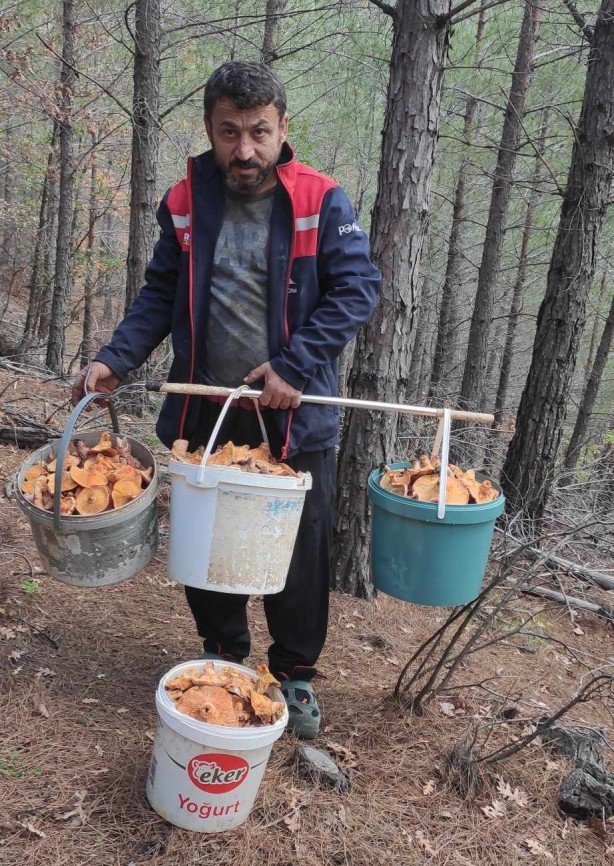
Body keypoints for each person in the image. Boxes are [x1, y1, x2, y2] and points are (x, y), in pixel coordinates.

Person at [72, 60, 381, 739]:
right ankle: (221, 654)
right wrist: (114, 359)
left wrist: (295, 364)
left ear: (283, 128)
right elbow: (159, 292)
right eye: (230, 132)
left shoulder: (322, 200)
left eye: (260, 132)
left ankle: (294, 674)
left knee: (298, 549)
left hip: (294, 413)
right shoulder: (186, 200)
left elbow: (357, 291)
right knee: (205, 539)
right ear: (210, 129)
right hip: (205, 406)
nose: (245, 150)